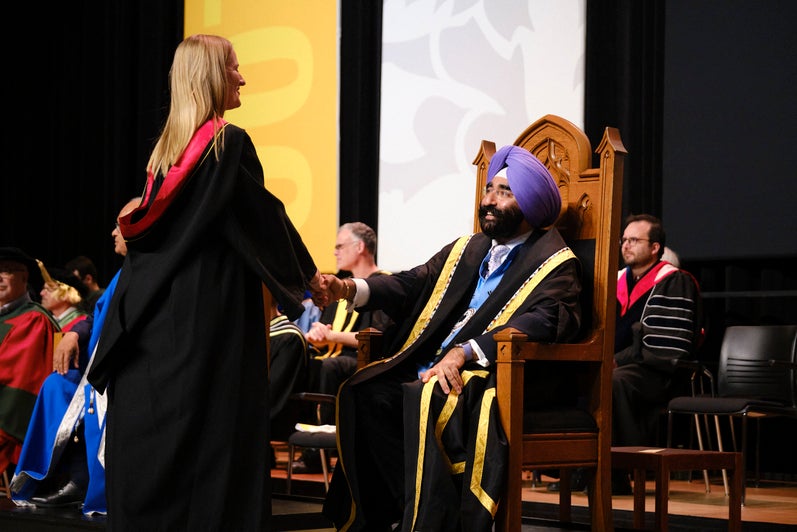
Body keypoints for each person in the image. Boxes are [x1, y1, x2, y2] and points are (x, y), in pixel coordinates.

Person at [84, 35, 324, 530]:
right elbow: (262, 221)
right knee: (215, 441)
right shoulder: (225, 143)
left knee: (161, 442)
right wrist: (306, 278)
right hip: (208, 321)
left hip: (152, 320)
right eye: (235, 67)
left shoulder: (164, 155)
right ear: (212, 75)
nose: (242, 77)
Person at [321, 145, 583, 531]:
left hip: (491, 375)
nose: (490, 201)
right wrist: (348, 289)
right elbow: (412, 283)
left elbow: (545, 321)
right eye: (490, 189)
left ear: (530, 204)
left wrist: (465, 352)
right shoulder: (469, 247)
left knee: (424, 395)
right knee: (362, 392)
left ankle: (433, 522)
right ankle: (394, 515)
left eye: (505, 193)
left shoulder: (556, 264)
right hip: (432, 365)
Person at [11, 197, 140, 513]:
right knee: (57, 385)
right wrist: (73, 332)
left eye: (119, 223)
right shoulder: (126, 272)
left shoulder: (149, 270)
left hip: (129, 371)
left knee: (91, 398)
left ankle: (86, 481)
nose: (113, 232)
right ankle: (59, 477)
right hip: (101, 369)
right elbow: (96, 316)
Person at [294, 222, 393, 474]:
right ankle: (286, 437)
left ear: (359, 247)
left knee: (330, 366)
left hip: (364, 362)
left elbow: (377, 337)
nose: (335, 252)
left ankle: (322, 450)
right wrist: (316, 334)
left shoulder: (383, 285)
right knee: (298, 360)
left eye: (340, 246)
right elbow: (324, 329)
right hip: (332, 355)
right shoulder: (341, 289)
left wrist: (330, 335)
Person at [0, 247, 59, 478]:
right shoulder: (6, 317)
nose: (0, 277)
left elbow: (19, 379)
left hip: (9, 429)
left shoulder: (33, 320)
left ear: (24, 277)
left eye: (7, 271)